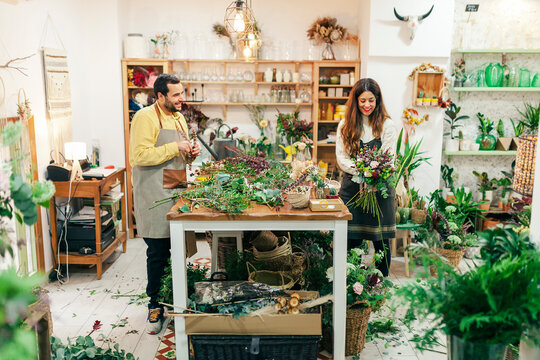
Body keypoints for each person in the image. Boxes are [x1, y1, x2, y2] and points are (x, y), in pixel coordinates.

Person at [129, 74, 200, 334]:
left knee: (177, 249)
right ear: (160, 96)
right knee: (157, 253)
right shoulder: (145, 118)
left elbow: (181, 158)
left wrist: (190, 153)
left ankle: (175, 299)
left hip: (175, 189)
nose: (182, 99)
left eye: (182, 93)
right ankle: (154, 306)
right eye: (176, 95)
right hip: (154, 193)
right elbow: (139, 156)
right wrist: (175, 147)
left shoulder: (178, 117)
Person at [336, 78, 397, 277]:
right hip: (352, 189)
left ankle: (381, 285)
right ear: (355, 101)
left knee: (381, 241)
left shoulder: (387, 125)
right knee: (351, 239)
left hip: (379, 190)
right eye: (363, 100)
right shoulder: (345, 125)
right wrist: (363, 172)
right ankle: (352, 283)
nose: (367, 105)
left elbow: (389, 158)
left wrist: (374, 176)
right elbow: (342, 158)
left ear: (377, 100)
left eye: (371, 100)